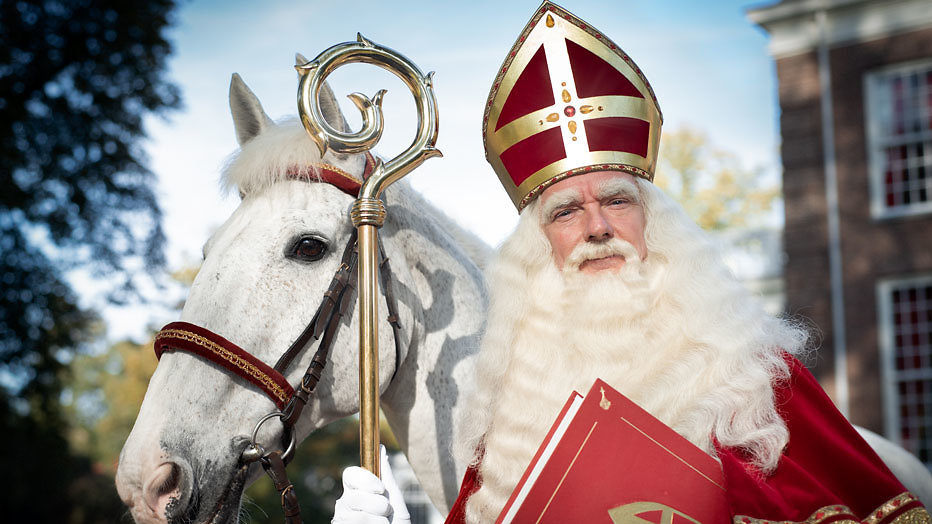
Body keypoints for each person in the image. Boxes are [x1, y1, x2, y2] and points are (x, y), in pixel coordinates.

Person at [333, 2, 930, 524]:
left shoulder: (758, 382)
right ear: (538, 249)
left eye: (617, 201)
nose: (597, 228)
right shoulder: (511, 419)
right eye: (566, 212)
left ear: (656, 224)